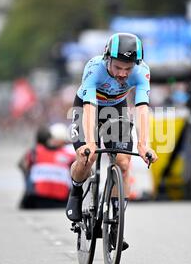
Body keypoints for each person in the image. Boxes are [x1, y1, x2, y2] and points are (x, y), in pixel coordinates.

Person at [65, 32, 159, 250]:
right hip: (86, 106)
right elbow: (88, 109)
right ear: (107, 58)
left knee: (124, 163)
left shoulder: (142, 71)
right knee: (86, 159)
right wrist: (89, 143)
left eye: (128, 69)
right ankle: (77, 189)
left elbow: (142, 108)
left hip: (115, 109)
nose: (123, 74)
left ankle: (116, 218)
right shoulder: (94, 67)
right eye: (118, 67)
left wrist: (143, 145)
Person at [18, 123, 75, 209]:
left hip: (36, 200)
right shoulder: (71, 153)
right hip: (62, 201)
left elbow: (22, 165)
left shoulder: (35, 152)